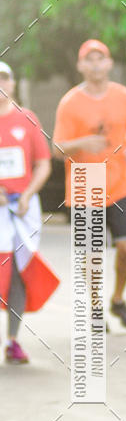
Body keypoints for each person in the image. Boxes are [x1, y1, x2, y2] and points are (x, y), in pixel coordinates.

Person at [52, 40, 126, 328]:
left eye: (100, 59)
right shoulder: (70, 102)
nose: (95, 65)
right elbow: (58, 148)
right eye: (89, 60)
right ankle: (95, 306)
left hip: (120, 183)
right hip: (85, 185)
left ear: (109, 64)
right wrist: (83, 142)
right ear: (80, 66)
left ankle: (117, 300)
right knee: (92, 256)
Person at [0, 61, 59, 363]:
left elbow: (43, 164)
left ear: (13, 83)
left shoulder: (27, 119)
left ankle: (12, 341)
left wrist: (26, 194)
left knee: (18, 272)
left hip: (22, 209)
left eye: (4, 78)